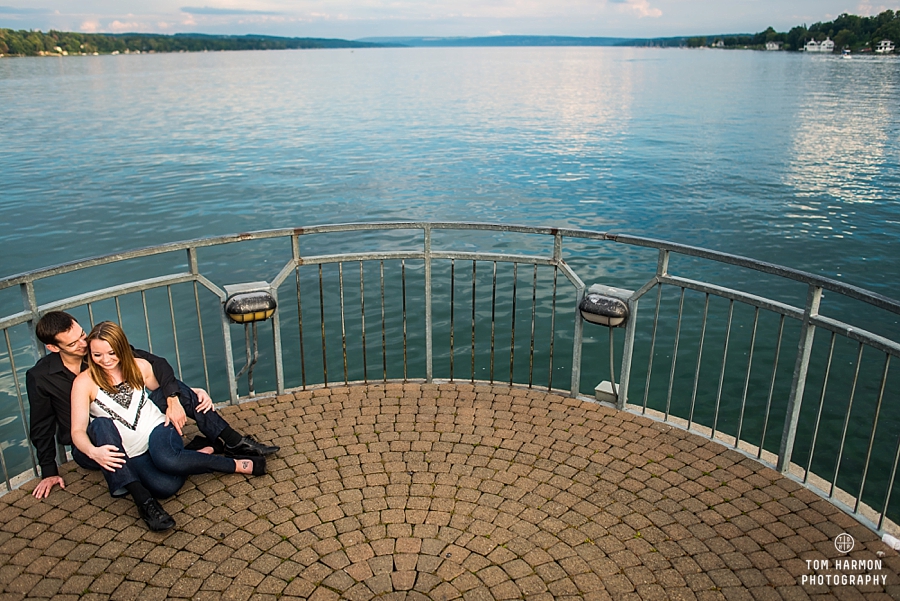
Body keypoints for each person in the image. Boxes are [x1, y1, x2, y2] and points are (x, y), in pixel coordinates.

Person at [26, 311, 278, 508]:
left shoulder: (101, 348)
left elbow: (155, 365)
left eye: (82, 335)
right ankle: (187, 457)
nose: (83, 344)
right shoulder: (41, 377)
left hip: (137, 427)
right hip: (96, 439)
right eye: (74, 343)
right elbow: (41, 425)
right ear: (53, 347)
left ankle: (231, 440)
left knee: (171, 390)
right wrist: (49, 470)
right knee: (160, 478)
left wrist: (179, 395)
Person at [70, 321, 266, 530]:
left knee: (166, 458)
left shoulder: (139, 366)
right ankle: (200, 452)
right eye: (97, 355)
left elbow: (167, 387)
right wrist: (93, 451)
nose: (105, 360)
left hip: (157, 428)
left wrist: (195, 391)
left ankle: (236, 464)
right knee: (166, 487)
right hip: (128, 450)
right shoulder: (84, 383)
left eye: (111, 353)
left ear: (121, 347)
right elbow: (78, 430)